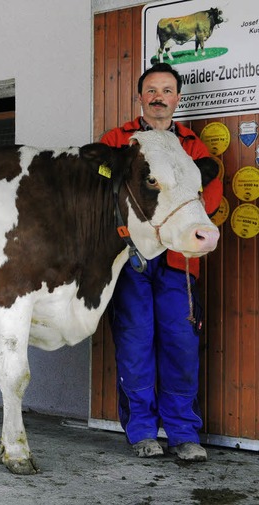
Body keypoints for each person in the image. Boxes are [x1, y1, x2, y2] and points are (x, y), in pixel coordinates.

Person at [101, 63, 222, 462]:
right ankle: (141, 431)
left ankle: (184, 432)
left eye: (167, 90)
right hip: (132, 259)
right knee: (135, 341)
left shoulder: (193, 147)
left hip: (178, 263)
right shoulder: (116, 142)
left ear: (177, 99)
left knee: (180, 344)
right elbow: (100, 197)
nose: (158, 97)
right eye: (151, 90)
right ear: (139, 97)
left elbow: (212, 198)